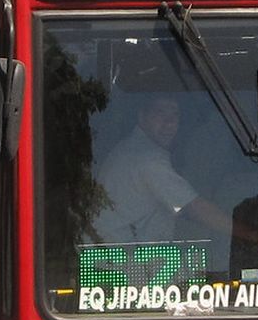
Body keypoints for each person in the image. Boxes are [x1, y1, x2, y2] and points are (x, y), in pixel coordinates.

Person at [93, 96, 246, 244]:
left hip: (122, 258)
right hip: (123, 263)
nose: (169, 123)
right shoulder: (147, 159)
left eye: (175, 114)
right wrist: (255, 236)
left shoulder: (132, 149)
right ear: (141, 117)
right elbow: (194, 209)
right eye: (160, 113)